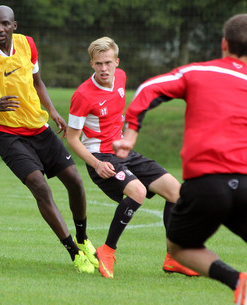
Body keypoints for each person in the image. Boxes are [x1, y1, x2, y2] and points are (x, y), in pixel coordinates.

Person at [113, 13, 247, 304]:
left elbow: (147, 89)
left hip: (206, 185)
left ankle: (238, 281)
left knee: (179, 248)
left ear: (223, 43)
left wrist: (130, 135)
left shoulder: (196, 72)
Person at [0, 5, 96, 273]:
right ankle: (74, 252)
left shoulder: (27, 45)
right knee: (39, 185)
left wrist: (53, 112)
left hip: (37, 126)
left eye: (5, 24)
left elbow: (37, 82)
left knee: (76, 181)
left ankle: (83, 238)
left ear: (14, 25)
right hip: (4, 132)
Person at [67, 36, 199, 279]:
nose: (104, 68)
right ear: (91, 64)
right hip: (100, 158)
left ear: (117, 62)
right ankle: (107, 250)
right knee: (137, 192)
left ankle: (174, 257)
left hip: (122, 153)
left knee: (176, 192)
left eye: (108, 62)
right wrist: (96, 164)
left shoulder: (122, 78)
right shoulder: (83, 95)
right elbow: (72, 138)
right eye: (98, 64)